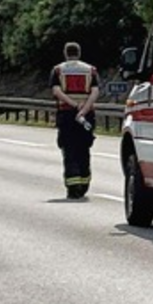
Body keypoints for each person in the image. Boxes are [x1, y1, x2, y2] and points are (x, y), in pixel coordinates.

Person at [49, 41, 101, 199]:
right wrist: (84, 109)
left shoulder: (58, 70)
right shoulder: (90, 70)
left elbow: (56, 91)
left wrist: (73, 105)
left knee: (69, 150)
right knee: (84, 149)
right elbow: (95, 92)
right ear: (79, 53)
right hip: (86, 116)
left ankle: (73, 188)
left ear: (66, 53)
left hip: (66, 115)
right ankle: (84, 183)